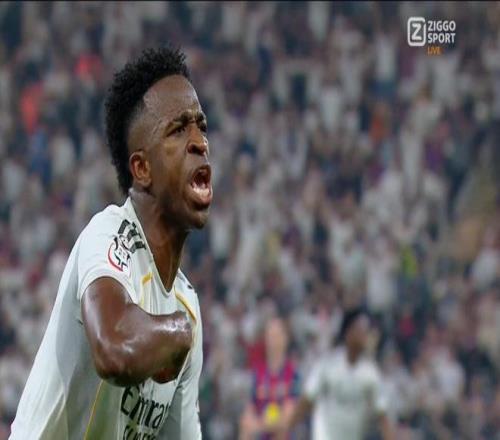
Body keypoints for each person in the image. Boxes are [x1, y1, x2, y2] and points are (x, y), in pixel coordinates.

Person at [10, 46, 212, 439]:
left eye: (201, 126)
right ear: (142, 168)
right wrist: (176, 332)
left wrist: (182, 330)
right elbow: (114, 347)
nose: (199, 142)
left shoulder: (187, 305)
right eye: (178, 130)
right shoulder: (108, 235)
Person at [284, 307, 395, 440]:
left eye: (365, 331)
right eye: (359, 330)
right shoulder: (327, 365)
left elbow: (382, 415)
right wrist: (286, 430)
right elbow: (306, 400)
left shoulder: (370, 373)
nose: (364, 335)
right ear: (348, 332)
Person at [240, 317, 300, 440]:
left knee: (281, 432)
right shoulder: (258, 373)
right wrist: (251, 423)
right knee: (244, 431)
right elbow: (248, 413)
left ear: (285, 339)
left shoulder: (293, 374)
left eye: (276, 335)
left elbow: (287, 418)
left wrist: (259, 425)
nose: (273, 340)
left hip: (281, 435)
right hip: (261, 433)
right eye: (270, 336)